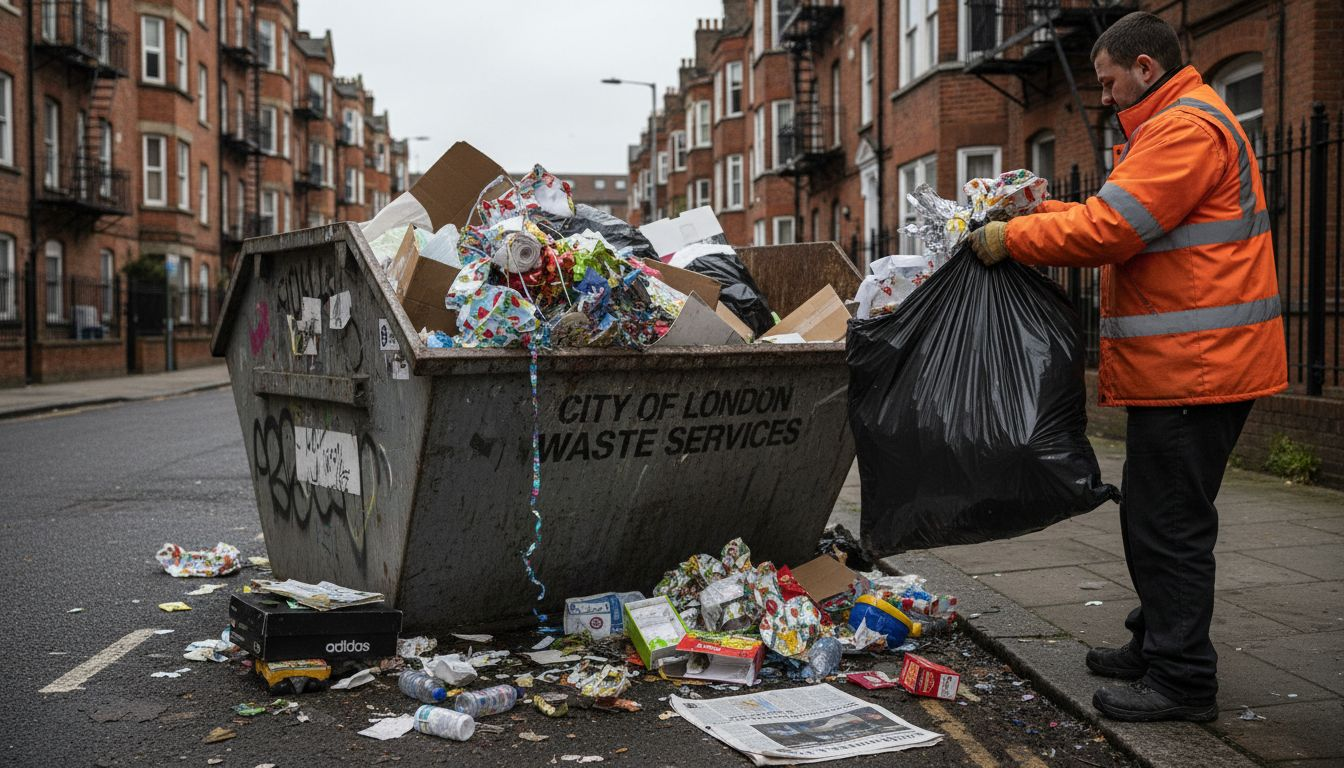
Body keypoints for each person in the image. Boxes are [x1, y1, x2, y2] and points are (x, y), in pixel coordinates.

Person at [968, 11, 1287, 723]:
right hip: (1190, 366)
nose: (1104, 97)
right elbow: (1118, 213)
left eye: (1109, 82)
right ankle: (1156, 643)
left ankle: (1182, 680)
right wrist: (1046, 211)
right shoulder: (1180, 123)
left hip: (1197, 369)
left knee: (1169, 524)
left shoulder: (1184, 129)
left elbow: (1111, 231)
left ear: (1146, 68)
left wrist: (1012, 237)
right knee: (1154, 514)